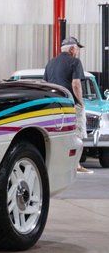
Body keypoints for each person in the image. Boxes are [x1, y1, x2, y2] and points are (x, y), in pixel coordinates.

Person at [44, 36, 92, 174]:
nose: (77, 52)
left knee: (57, 135)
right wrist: (80, 102)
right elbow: (76, 84)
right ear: (72, 49)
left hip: (54, 105)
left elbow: (46, 84)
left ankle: (55, 166)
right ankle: (75, 165)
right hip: (70, 104)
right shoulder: (75, 62)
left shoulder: (51, 63)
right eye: (77, 49)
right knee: (76, 134)